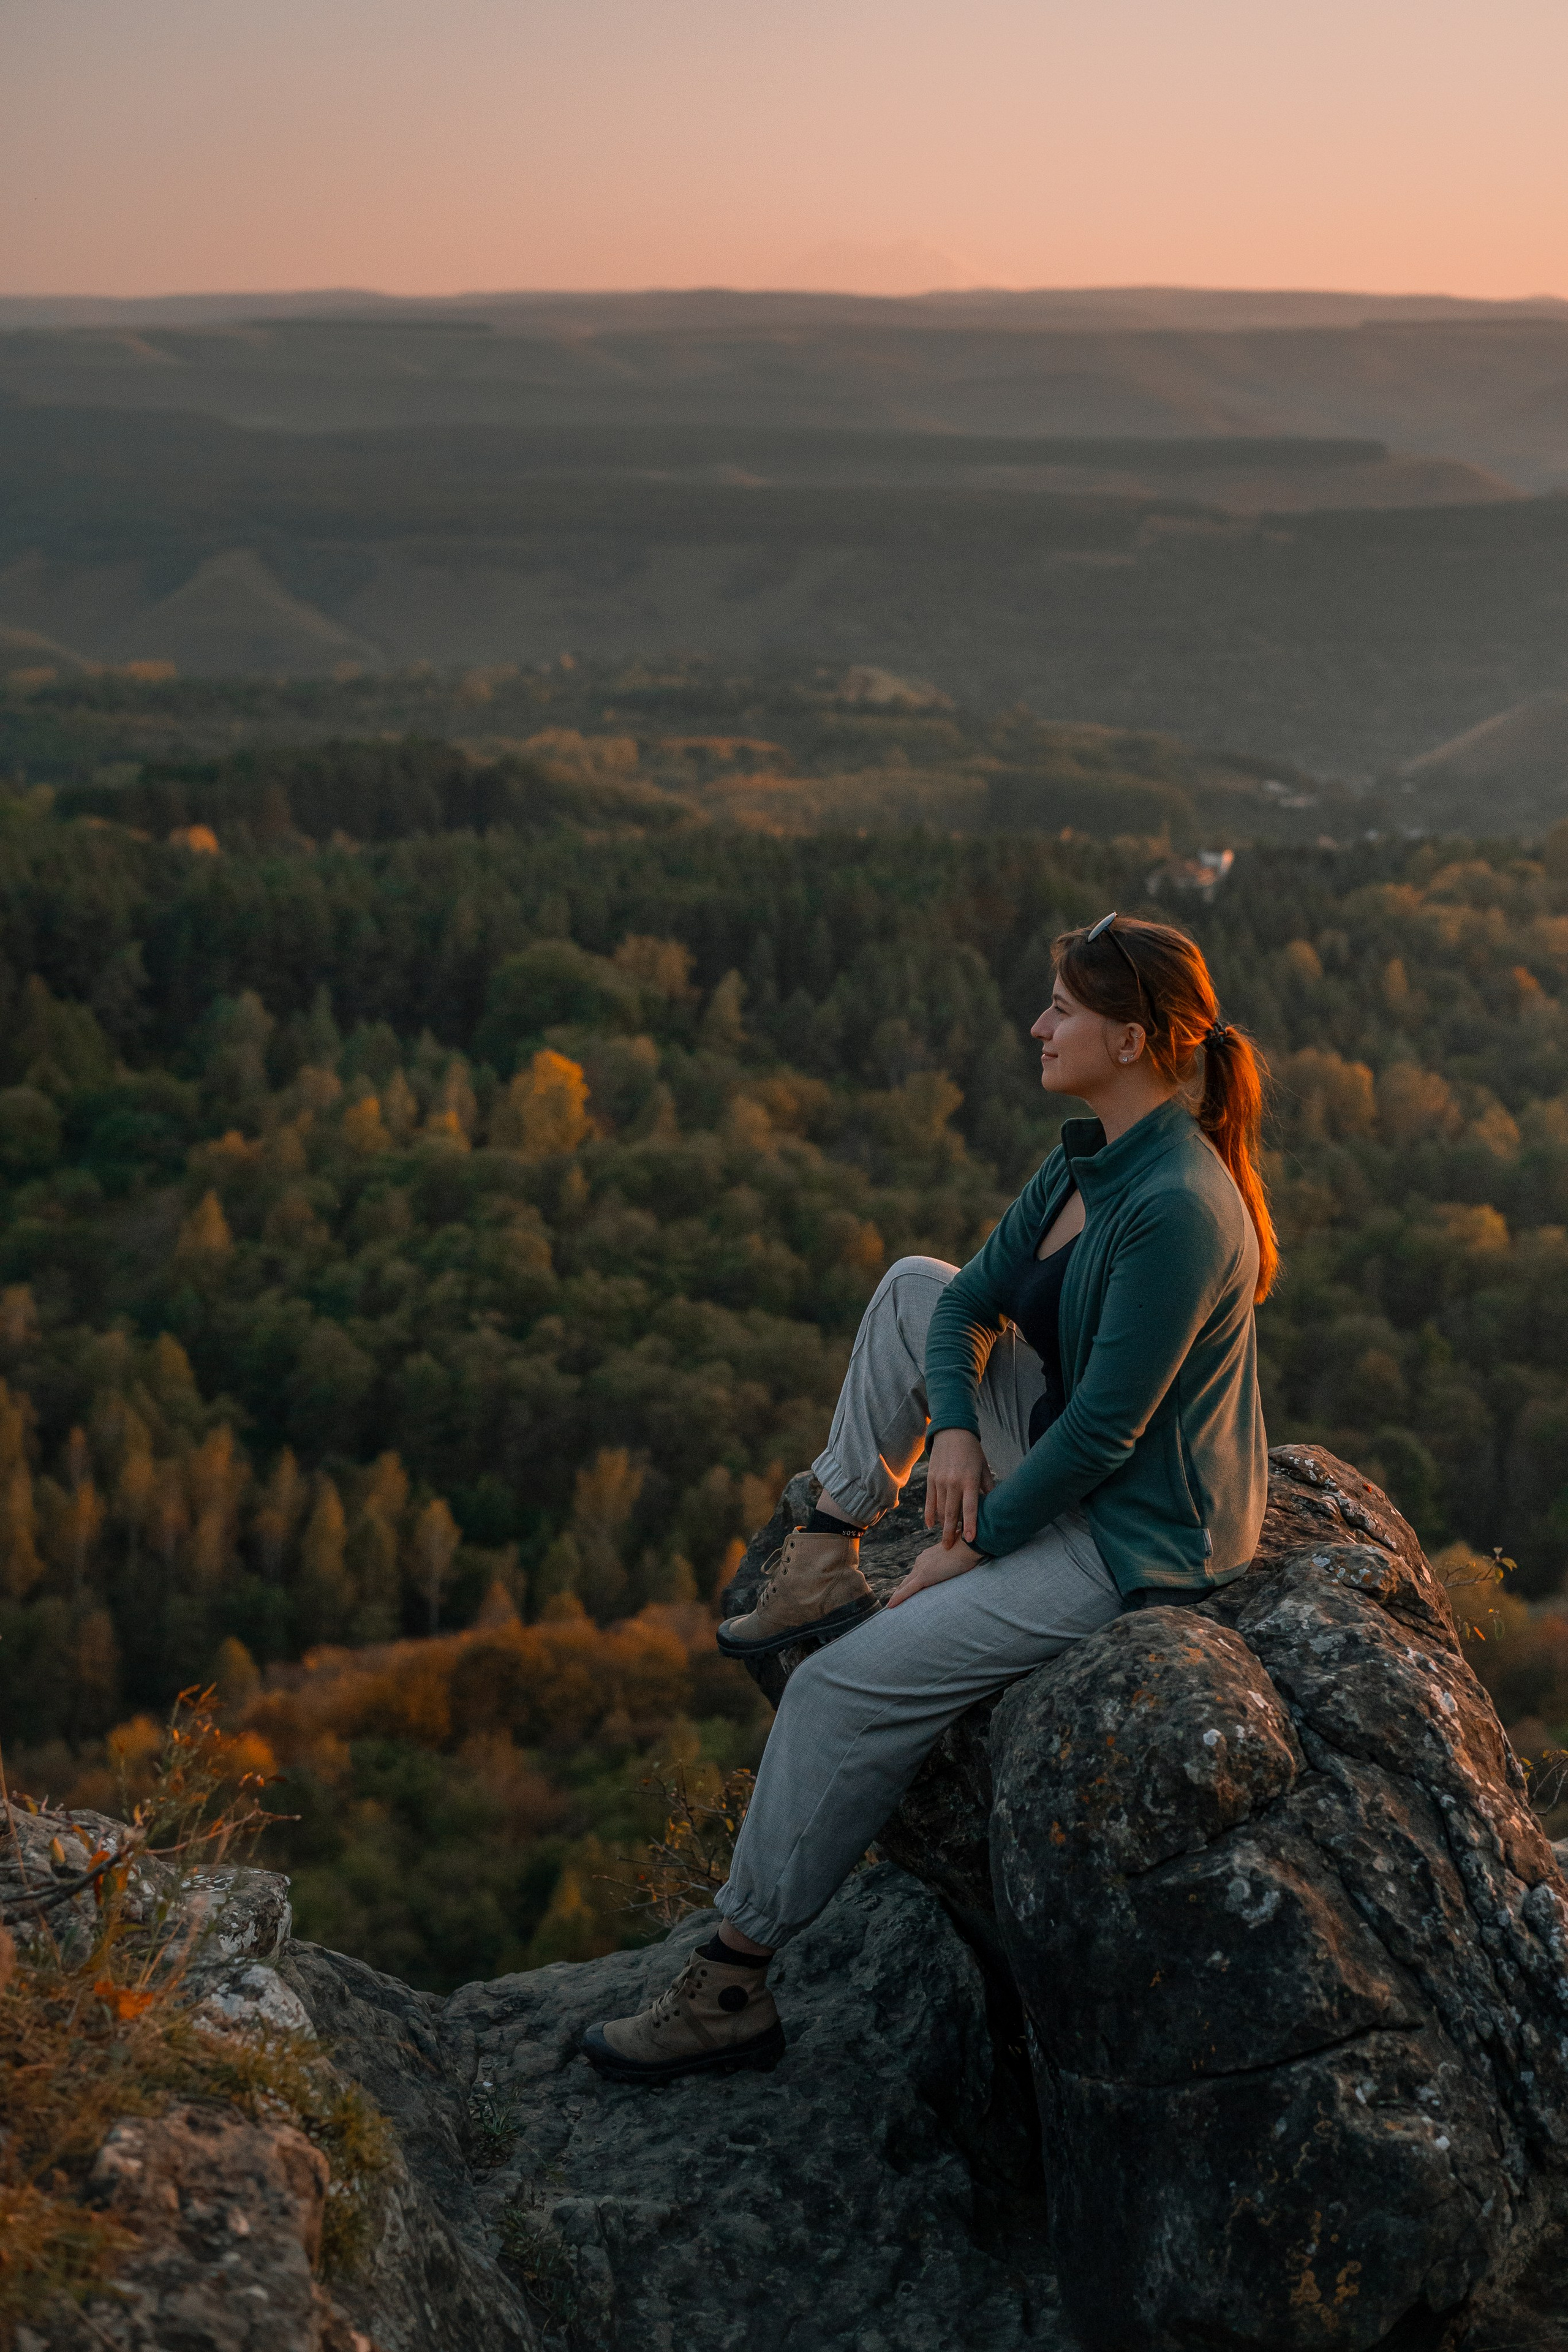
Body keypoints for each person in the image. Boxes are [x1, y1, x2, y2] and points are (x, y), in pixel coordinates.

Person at [583, 911, 1277, 2083]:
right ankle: (825, 1549)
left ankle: (730, 1989)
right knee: (913, 1283)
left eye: (1063, 1009)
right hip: (1056, 1447)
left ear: (1133, 1038)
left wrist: (973, 1545)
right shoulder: (1089, 1156)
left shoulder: (1177, 1208)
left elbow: (1106, 1437)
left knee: (835, 1691)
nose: (1038, 1025)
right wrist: (954, 1431)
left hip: (1133, 1533)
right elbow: (962, 1306)